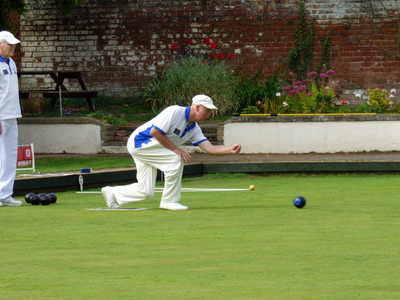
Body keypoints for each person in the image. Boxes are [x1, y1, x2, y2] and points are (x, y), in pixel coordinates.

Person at [101, 94, 242, 210]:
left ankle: (112, 193)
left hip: (150, 148)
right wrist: (176, 149)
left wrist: (230, 149)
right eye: (207, 110)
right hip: (141, 143)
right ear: (197, 108)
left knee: (146, 192)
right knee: (175, 159)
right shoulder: (175, 111)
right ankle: (169, 201)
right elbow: (155, 132)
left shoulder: (194, 128)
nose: (209, 114)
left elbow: (209, 148)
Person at [0, 31, 23, 207]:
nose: (12, 47)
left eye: (13, 44)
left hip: (12, 115)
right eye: (9, 44)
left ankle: (5, 195)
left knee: (9, 157)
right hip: (1, 117)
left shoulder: (12, 63)